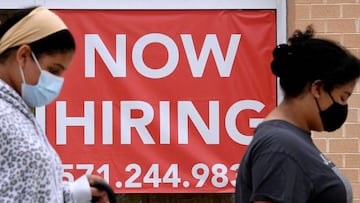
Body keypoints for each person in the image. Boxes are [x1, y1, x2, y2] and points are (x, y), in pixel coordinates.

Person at [235, 26, 360, 203]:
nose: (343, 106)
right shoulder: (280, 145)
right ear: (317, 88)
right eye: (343, 97)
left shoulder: (291, 139)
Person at [0, 6, 112, 203]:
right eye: (53, 69)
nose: (58, 80)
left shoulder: (16, 111)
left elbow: (22, 188)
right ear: (24, 55)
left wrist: (72, 193)